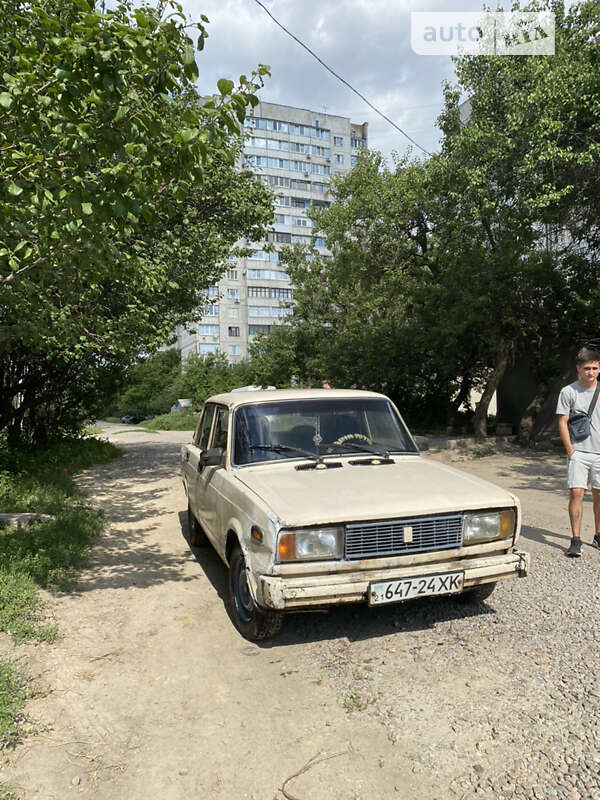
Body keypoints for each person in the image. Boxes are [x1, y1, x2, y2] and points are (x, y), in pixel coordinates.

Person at [556, 347, 600, 557]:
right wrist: (570, 451)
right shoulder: (568, 391)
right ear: (578, 369)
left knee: (599, 497)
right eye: (586, 368)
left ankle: (598, 535)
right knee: (576, 493)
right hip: (579, 453)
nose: (590, 372)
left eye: (594, 368)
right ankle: (575, 539)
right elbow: (562, 421)